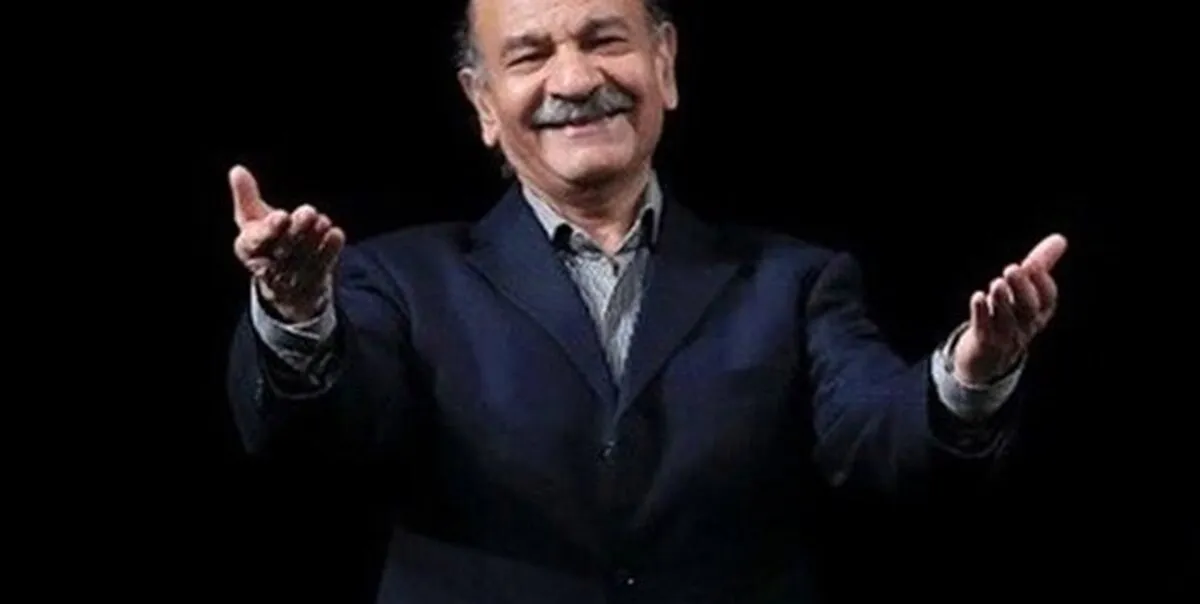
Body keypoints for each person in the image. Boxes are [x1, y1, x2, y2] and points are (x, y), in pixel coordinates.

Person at [225, 0, 1068, 601]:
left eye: (604, 39)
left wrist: (970, 377)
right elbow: (321, 441)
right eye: (529, 56)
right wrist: (298, 316)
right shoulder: (396, 279)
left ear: (663, 65)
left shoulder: (793, 280)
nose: (575, 77)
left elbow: (879, 435)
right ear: (483, 103)